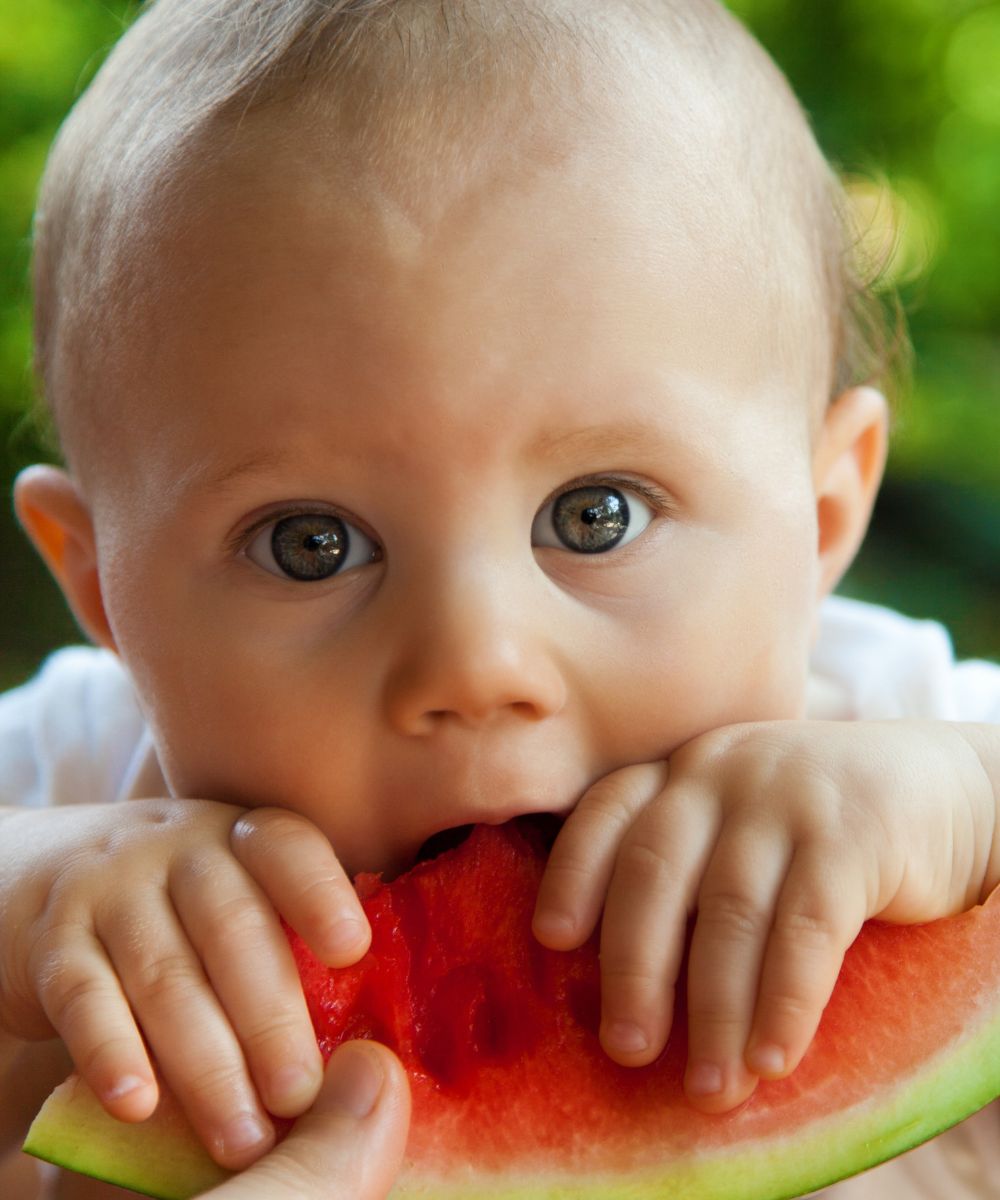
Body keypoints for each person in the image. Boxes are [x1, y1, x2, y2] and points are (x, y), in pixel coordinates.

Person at [0, 0, 998, 1196]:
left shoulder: (885, 725)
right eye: (309, 544)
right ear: (98, 586)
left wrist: (971, 803)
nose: (474, 663)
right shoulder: (80, 788)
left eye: (596, 516)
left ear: (823, 515)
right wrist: (26, 905)